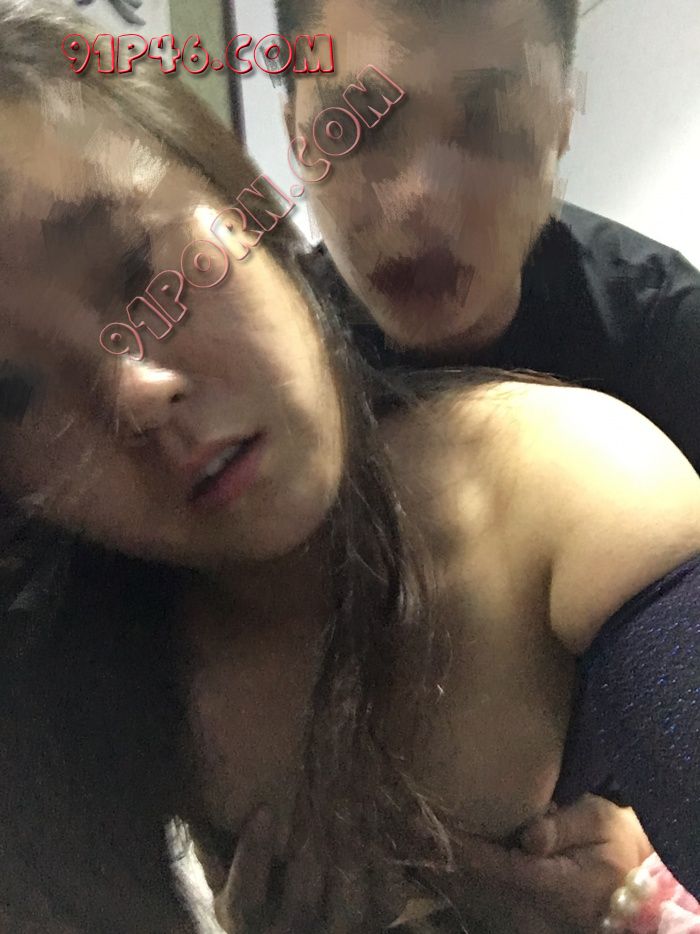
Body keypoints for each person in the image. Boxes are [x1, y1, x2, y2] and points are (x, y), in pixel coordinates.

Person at [0, 6, 698, 934]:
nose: (419, 200)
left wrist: (647, 902)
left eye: (139, 269)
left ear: (564, 120)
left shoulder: (646, 368)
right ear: (294, 143)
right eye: (360, 129)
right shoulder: (85, 623)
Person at [275, 0, 700, 476]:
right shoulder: (268, 367)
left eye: (493, 124)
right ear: (297, 139)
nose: (427, 207)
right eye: (358, 126)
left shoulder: (669, 338)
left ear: (561, 130)